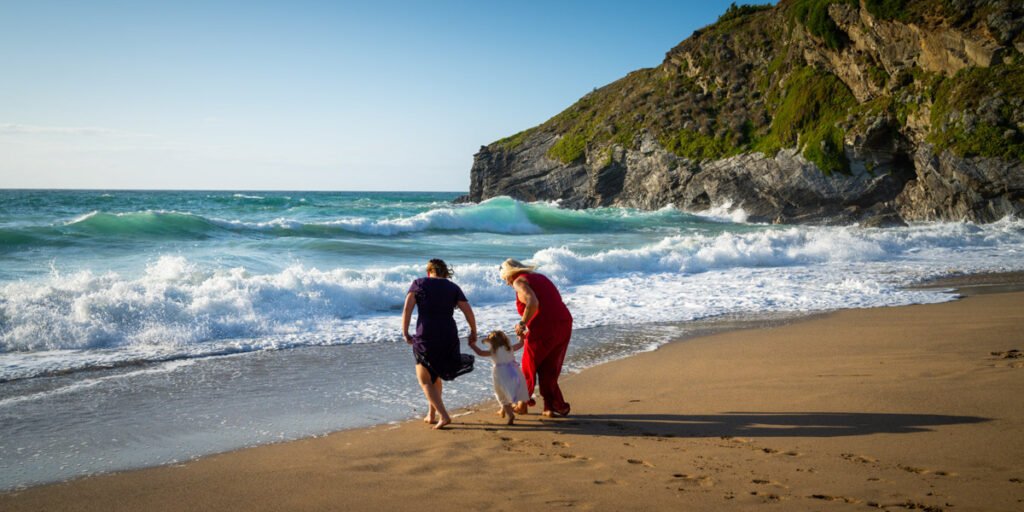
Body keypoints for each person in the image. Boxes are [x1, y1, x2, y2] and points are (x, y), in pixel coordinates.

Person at [401, 258, 477, 429]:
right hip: (449, 335)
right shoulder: (453, 287)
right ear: (444, 273)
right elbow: (467, 311)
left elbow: (407, 309)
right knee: (435, 374)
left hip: (426, 335)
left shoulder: (419, 283)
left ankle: (444, 416)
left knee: (424, 379)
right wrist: (473, 331)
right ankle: (432, 414)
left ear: (429, 272)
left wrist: (405, 332)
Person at [499, 258, 572, 417]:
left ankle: (521, 404)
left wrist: (522, 323)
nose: (507, 283)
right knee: (549, 367)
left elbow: (533, 302)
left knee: (528, 365)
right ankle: (551, 406)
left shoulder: (519, 281)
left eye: (505, 279)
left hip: (545, 327)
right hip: (564, 322)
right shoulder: (540, 277)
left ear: (511, 275)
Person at [468, 330, 530, 425]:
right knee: (508, 391)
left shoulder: (493, 351)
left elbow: (480, 352)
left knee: (501, 394)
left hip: (500, 374)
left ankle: (510, 415)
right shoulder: (509, 348)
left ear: (492, 342)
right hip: (514, 372)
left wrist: (472, 345)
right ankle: (502, 411)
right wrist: (521, 338)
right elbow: (521, 344)